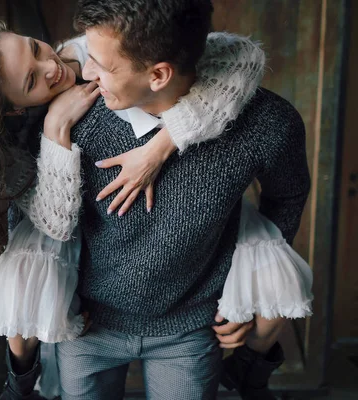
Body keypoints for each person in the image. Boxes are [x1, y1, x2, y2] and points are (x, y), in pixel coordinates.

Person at [28, 0, 309, 399]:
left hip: (191, 330)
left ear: (159, 74)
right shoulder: (74, 117)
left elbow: (288, 195)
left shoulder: (266, 123)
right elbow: (36, 225)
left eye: (102, 66)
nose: (85, 74)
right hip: (86, 328)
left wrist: (249, 289)